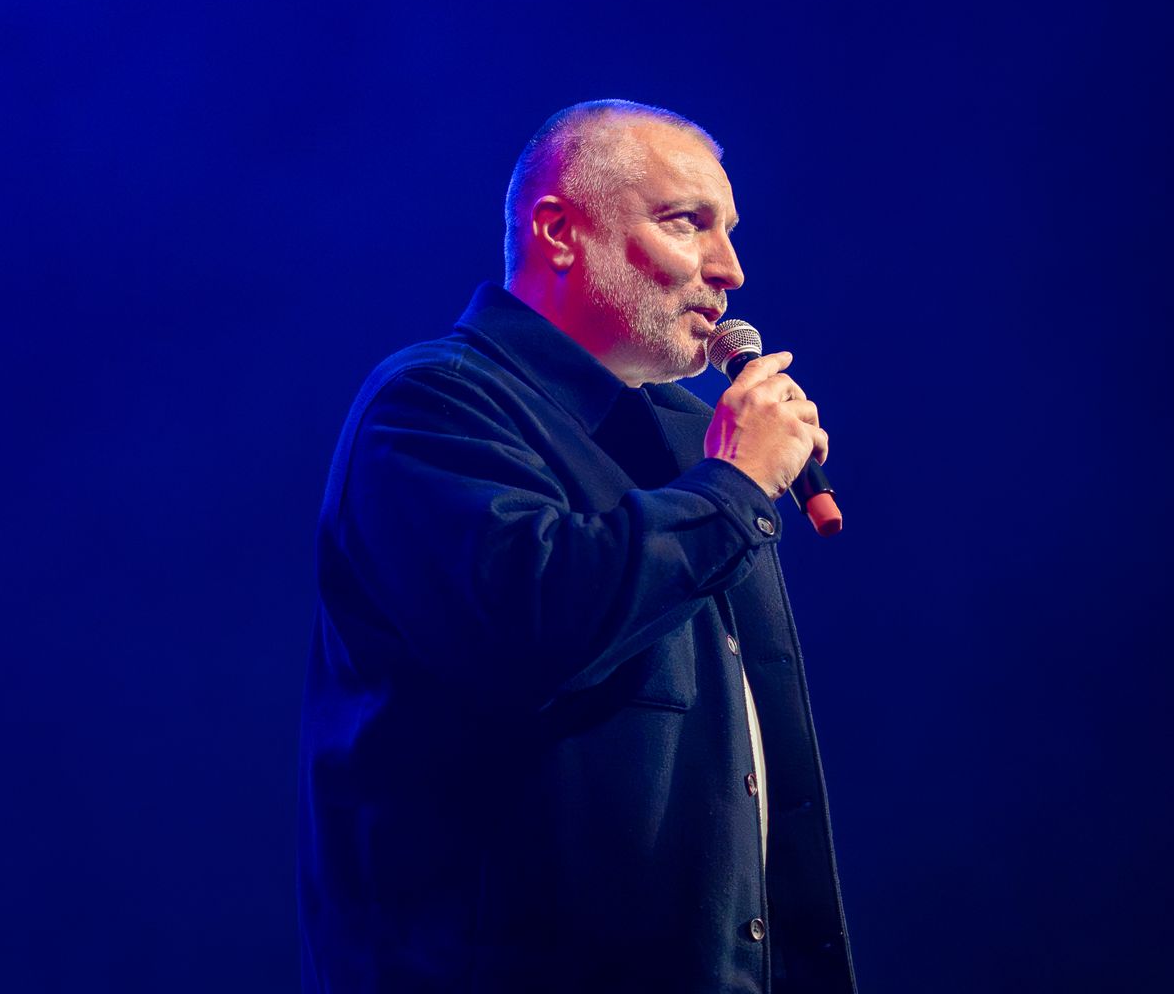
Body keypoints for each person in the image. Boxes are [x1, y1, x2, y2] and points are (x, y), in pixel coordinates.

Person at [299, 100, 855, 992]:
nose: (730, 269)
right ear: (560, 232)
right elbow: (530, 629)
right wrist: (735, 487)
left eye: (730, 231)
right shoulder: (432, 404)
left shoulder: (692, 434)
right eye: (687, 222)